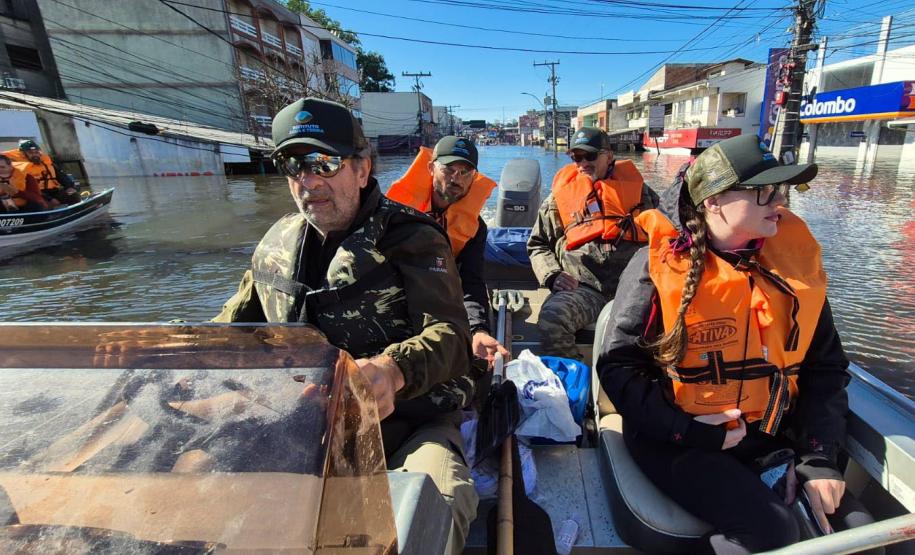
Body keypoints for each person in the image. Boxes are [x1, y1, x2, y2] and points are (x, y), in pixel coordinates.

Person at [213, 98, 478, 554]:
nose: (309, 180)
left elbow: (452, 337)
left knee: (437, 502)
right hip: (300, 421)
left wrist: (392, 370)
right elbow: (226, 330)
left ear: (361, 169)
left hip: (408, 423)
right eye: (294, 165)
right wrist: (158, 351)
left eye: (325, 163)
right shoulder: (275, 245)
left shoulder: (413, 238)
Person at [597, 134, 879, 554]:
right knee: (772, 531)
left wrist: (817, 456)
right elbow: (619, 367)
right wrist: (686, 430)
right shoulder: (657, 265)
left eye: (782, 189)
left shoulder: (795, 268)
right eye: (765, 191)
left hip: (771, 434)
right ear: (713, 200)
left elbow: (825, 368)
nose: (780, 201)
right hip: (676, 438)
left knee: (860, 534)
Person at [527, 127, 658, 359]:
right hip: (584, 288)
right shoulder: (558, 198)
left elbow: (667, 236)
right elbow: (538, 244)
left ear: (609, 156)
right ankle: (573, 375)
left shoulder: (643, 194)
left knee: (675, 315)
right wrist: (552, 275)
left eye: (590, 155)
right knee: (552, 318)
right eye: (577, 157)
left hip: (633, 287)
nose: (583, 163)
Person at [387, 136, 509, 366]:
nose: (456, 178)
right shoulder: (392, 212)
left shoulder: (474, 228)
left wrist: (478, 329)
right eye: (449, 169)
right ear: (431, 168)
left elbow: (471, 282)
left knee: (472, 360)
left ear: (473, 178)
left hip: (441, 298)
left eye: (465, 172)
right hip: (394, 298)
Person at [2, 140, 80, 207]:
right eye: (30, 152)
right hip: (38, 194)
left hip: (54, 191)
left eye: (36, 152)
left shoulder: (47, 164)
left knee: (73, 195)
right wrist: (50, 199)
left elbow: (61, 176)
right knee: (40, 204)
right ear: (23, 154)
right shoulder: (21, 169)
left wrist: (69, 187)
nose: (35, 154)